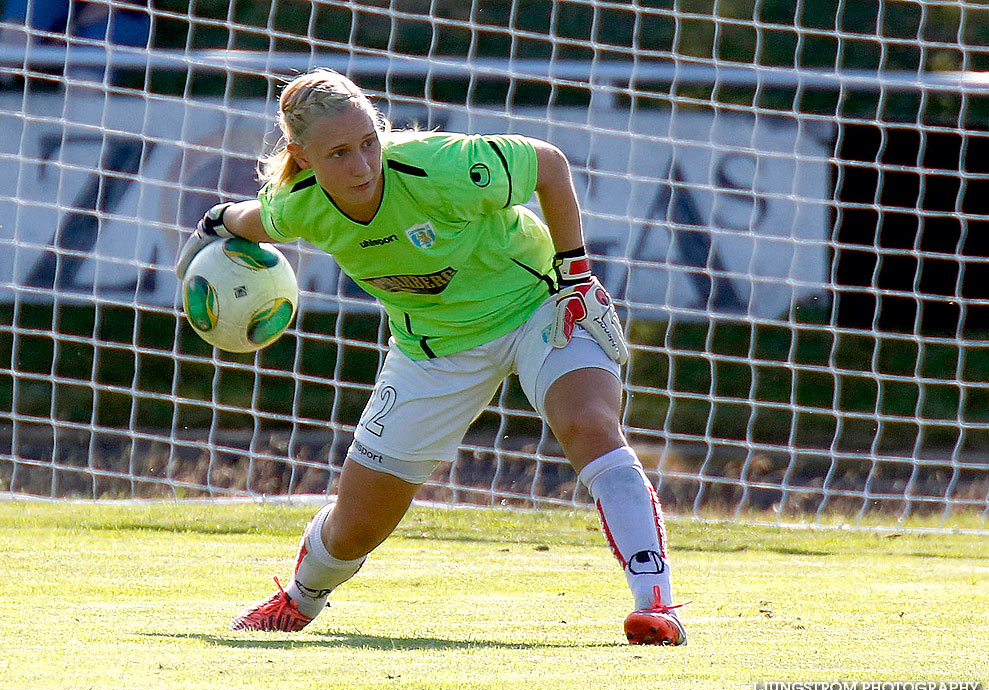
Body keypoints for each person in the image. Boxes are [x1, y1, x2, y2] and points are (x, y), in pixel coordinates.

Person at [176, 68, 687, 646]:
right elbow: (250, 219)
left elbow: (548, 164)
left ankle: (656, 602)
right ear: (303, 156)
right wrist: (213, 227)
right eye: (340, 153)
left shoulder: (435, 165)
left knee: (590, 424)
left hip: (539, 305)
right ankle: (299, 597)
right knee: (356, 526)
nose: (363, 165)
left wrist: (575, 275)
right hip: (433, 349)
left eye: (369, 141)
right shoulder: (300, 206)